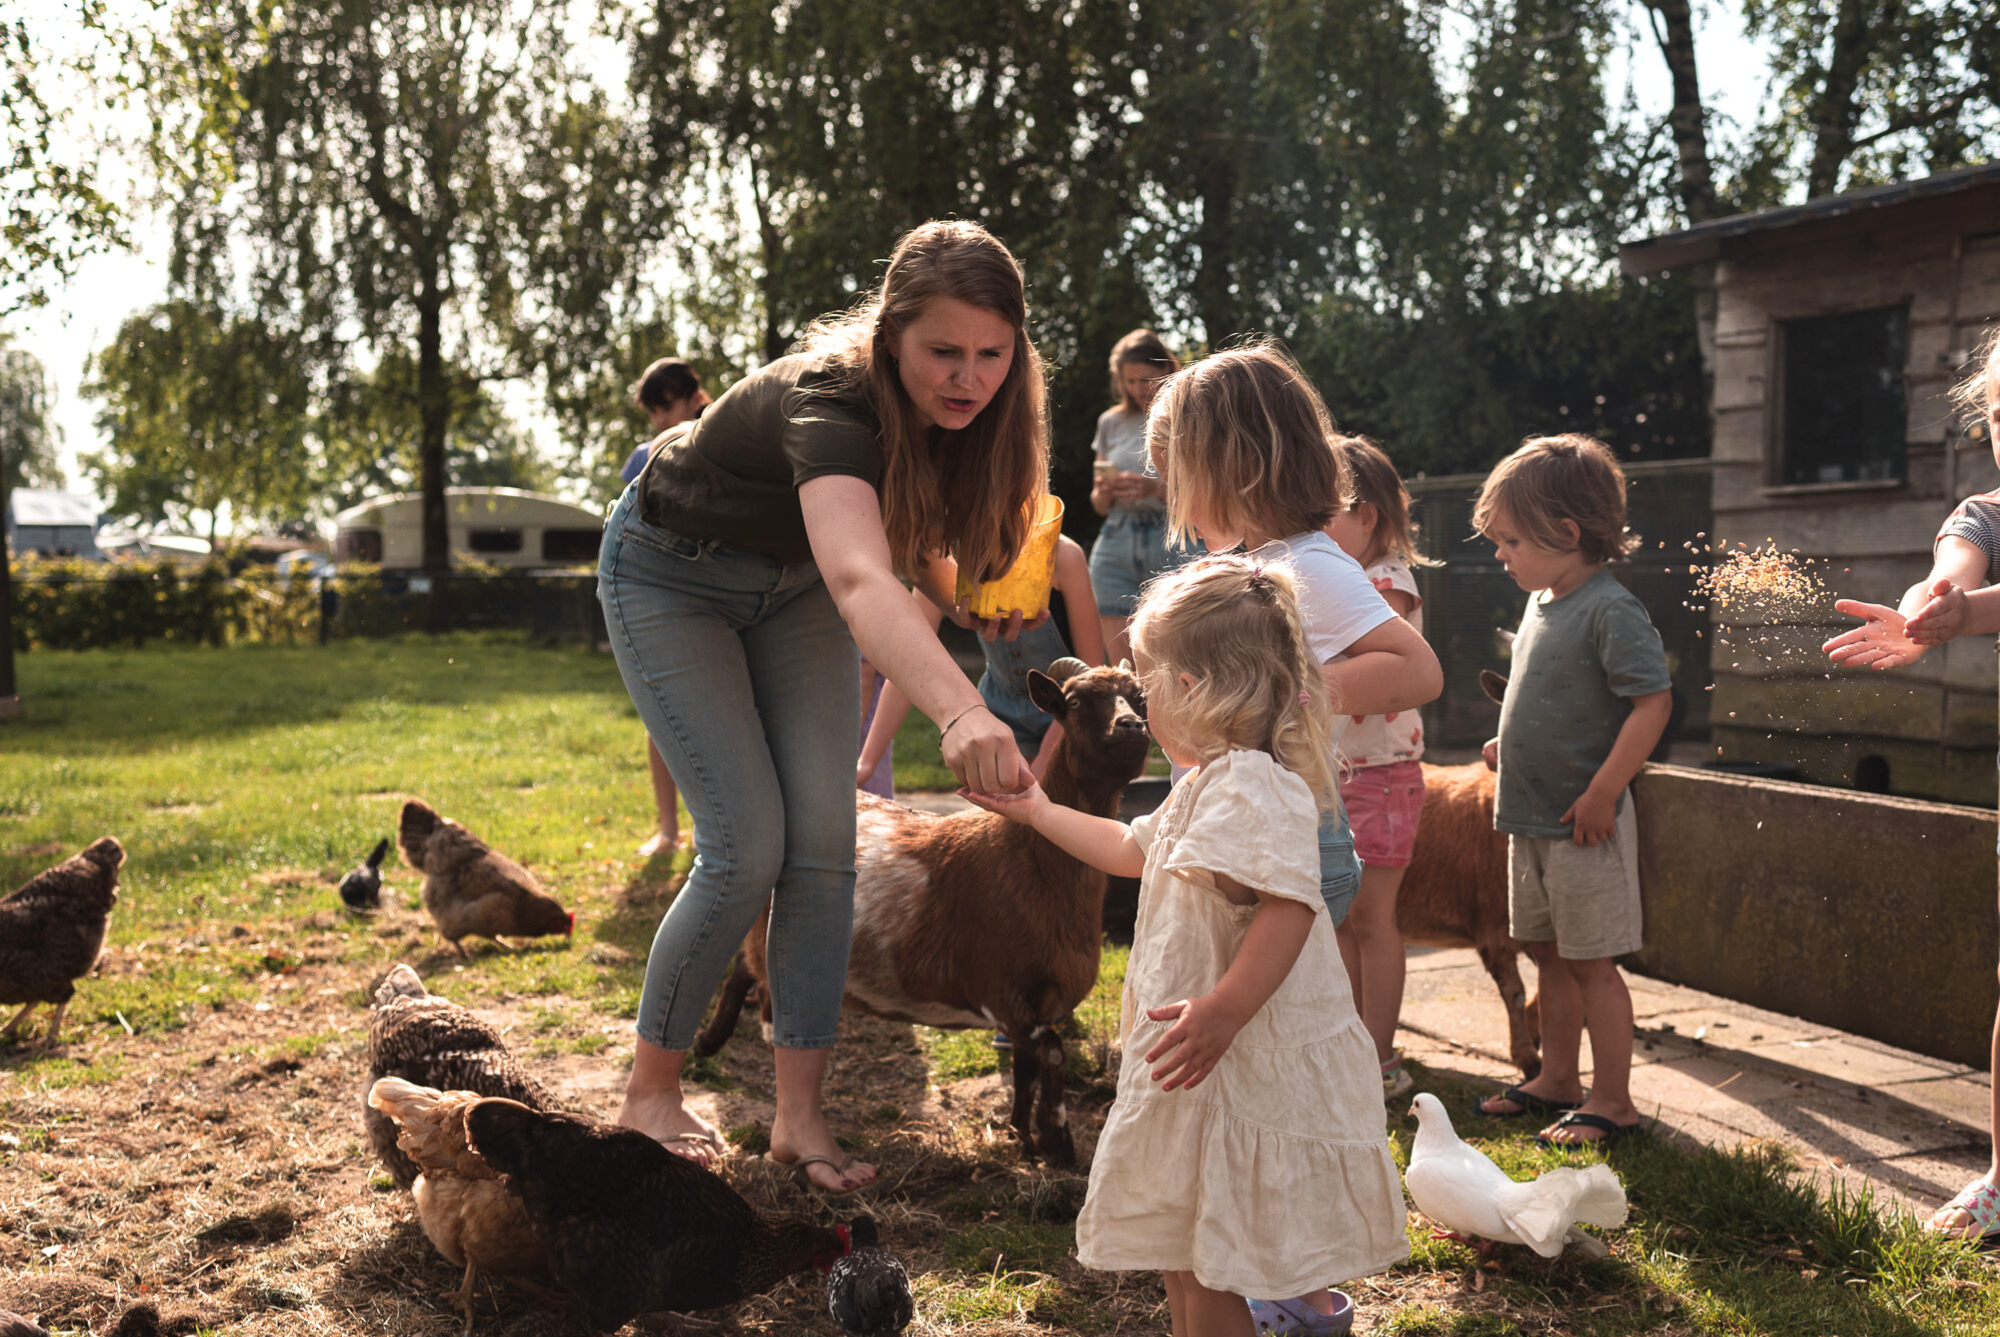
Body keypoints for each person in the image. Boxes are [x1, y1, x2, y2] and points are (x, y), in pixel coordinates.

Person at [597, 220, 1050, 1193]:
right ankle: (649, 1089)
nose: (968, 376)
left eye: (990, 353)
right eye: (943, 351)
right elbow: (856, 573)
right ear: (891, 337)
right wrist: (961, 709)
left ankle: (800, 1120)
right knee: (745, 845)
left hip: (787, 586)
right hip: (670, 576)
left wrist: (983, 592)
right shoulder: (831, 397)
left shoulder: (981, 421)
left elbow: (903, 556)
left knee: (822, 848)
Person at [962, 555, 1408, 1337]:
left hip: (1230, 1063)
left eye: (1145, 684)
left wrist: (1225, 1009)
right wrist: (1035, 811)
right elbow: (1132, 848)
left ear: (1192, 690)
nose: (1140, 703)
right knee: (1184, 1250)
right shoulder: (1207, 783)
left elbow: (1290, 908)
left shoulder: (1252, 786)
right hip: (1196, 1068)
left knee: (1210, 1262)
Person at [1147, 342, 1442, 938]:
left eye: (1178, 478)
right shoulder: (1250, 562)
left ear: (1236, 466)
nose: (1172, 499)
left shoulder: (1312, 565)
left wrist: (1277, 693)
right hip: (1234, 834)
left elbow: (1418, 672)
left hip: (1279, 852)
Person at [1823, 327, 2000, 1240]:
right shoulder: (1987, 510)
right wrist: (1934, 604)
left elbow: (1974, 603)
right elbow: (1954, 559)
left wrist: (1966, 615)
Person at [1468, 434, 1673, 1149]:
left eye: (1511, 540)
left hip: (1586, 826)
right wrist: (1509, 742)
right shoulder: (1542, 601)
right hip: (1532, 818)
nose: (1501, 554)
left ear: (1566, 533)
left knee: (1593, 964)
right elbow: (1550, 699)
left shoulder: (1610, 611)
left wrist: (1603, 791)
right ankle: (1557, 1077)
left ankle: (1613, 1099)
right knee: (1550, 955)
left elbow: (1653, 704)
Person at [1321, 434, 1436, 1098]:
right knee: (1342, 915)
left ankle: (1380, 1053)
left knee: (1373, 917)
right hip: (1343, 772)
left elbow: (1375, 656)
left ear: (1365, 516)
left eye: (1322, 517)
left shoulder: (1385, 580)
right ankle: (1351, 1041)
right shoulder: (1347, 575)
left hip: (1383, 773)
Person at [865, 535, 1108, 783]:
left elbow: (1090, 674)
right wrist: (867, 761)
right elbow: (910, 658)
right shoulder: (946, 559)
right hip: (998, 715)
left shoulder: (1064, 556)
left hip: (1069, 717)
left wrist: (1045, 761)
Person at [621, 358, 712, 858]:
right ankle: (668, 829)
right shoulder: (643, 457)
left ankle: (717, 832)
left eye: (665, 407)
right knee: (662, 718)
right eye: (653, 411)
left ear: (693, 395)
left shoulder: (727, 434)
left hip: (725, 605)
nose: (659, 420)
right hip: (669, 602)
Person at [1088, 329, 1191, 664]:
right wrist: (1104, 492)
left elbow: (1206, 493)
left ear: (1166, 369)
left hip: (1174, 538)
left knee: (1176, 658)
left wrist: (1155, 489)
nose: (1138, 389)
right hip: (1116, 538)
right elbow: (1098, 505)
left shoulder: (1187, 416)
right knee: (1122, 667)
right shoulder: (1110, 422)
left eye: (1146, 379)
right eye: (1130, 381)